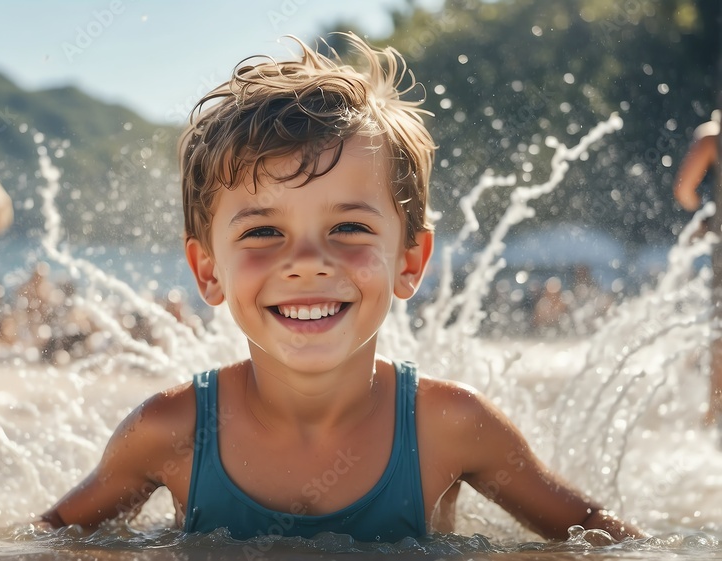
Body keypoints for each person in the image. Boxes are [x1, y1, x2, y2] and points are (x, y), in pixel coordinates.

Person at [38, 34, 645, 543]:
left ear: (410, 260)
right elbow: (51, 540)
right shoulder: (171, 432)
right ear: (207, 272)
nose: (306, 262)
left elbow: (597, 536)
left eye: (348, 227)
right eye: (263, 231)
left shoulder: (450, 426)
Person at [672, 111, 721, 427]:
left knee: (720, 336)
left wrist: (704, 212)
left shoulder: (713, 136)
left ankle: (713, 416)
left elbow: (684, 191)